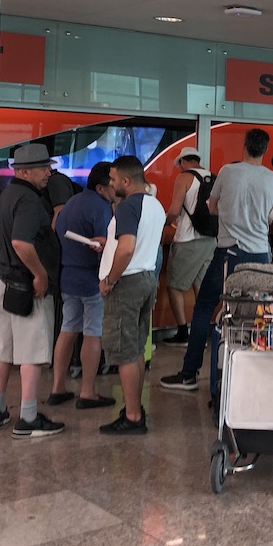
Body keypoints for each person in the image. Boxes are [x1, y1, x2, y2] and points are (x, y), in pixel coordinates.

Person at [161, 128, 273, 396]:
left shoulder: (227, 172)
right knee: (258, 313)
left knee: (204, 308)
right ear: (265, 150)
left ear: (245, 146)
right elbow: (271, 215)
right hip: (261, 255)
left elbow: (212, 208)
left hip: (230, 254)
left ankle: (189, 374)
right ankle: (256, 374)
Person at [0, 143, 65, 438]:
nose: (49, 172)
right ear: (24, 171)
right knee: (32, 352)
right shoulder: (29, 201)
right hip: (28, 287)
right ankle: (28, 418)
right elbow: (22, 242)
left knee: (2, 348)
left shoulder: (3, 197)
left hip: (5, 283)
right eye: (43, 167)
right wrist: (40, 274)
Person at [97, 155, 166, 434]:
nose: (111, 185)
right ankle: (134, 407)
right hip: (147, 278)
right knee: (136, 348)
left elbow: (126, 249)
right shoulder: (155, 205)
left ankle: (133, 417)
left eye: (113, 179)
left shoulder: (127, 207)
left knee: (125, 353)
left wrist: (109, 280)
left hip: (126, 283)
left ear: (126, 180)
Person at [47, 161, 117, 409]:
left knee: (67, 329)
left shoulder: (72, 203)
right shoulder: (100, 208)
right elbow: (105, 246)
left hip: (68, 276)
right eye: (113, 183)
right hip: (91, 279)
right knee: (92, 332)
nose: (116, 188)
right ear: (100, 187)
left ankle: (57, 388)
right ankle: (88, 392)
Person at [162, 147, 217, 347]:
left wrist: (163, 222)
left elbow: (175, 211)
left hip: (188, 239)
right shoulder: (214, 176)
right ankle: (201, 331)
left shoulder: (184, 178)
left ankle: (183, 332)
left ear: (184, 162)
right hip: (211, 239)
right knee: (200, 285)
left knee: (174, 284)